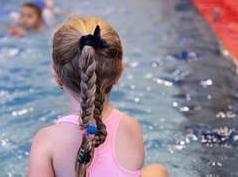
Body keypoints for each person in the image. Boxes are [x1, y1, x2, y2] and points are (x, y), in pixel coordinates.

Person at [28, 16, 168, 177]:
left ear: (57, 77)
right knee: (158, 170)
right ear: (120, 71)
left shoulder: (46, 141)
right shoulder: (131, 127)